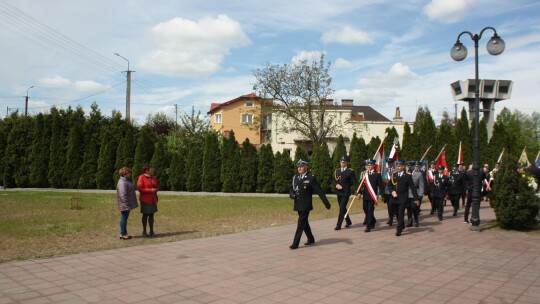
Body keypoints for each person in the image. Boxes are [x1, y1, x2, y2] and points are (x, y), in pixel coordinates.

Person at [288, 160, 331, 249]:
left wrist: (326, 202)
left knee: (300, 223)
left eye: (302, 166)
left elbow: (319, 191)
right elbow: (291, 188)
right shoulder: (296, 177)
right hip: (298, 204)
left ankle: (295, 243)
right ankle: (310, 238)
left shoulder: (311, 177)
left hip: (306, 205)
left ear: (306, 167)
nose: (299, 168)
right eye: (298, 166)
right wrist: (291, 194)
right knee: (304, 223)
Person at [388, 160, 420, 236]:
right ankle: (401, 224)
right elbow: (389, 185)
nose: (398, 168)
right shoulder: (394, 175)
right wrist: (392, 191)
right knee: (396, 213)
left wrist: (416, 198)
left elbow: (412, 187)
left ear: (403, 167)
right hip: (394, 198)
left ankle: (399, 229)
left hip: (403, 198)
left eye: (399, 166)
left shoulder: (407, 176)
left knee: (401, 213)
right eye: (397, 166)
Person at [332, 156, 357, 230]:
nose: (342, 163)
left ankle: (338, 224)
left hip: (346, 192)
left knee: (342, 208)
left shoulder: (350, 171)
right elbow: (333, 180)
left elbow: (355, 182)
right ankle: (348, 221)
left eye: (344, 162)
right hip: (339, 192)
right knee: (342, 208)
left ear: (347, 163)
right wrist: (336, 185)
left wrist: (357, 190)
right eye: (341, 162)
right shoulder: (337, 171)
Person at [358, 159, 384, 232]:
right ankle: (373, 220)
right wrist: (359, 192)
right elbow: (361, 184)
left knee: (370, 210)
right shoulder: (364, 174)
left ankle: (368, 226)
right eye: (367, 165)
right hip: (365, 195)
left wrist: (382, 194)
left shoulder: (377, 175)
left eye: (370, 165)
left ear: (373, 165)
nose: (368, 166)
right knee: (365, 209)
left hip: (372, 195)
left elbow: (381, 185)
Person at [137, 164, 159, 237]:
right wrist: (150, 190)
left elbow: (157, 187)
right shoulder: (141, 177)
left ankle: (151, 231)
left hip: (153, 199)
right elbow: (140, 188)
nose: (153, 170)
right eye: (151, 169)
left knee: (151, 215)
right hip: (145, 200)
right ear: (147, 170)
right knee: (145, 215)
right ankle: (144, 231)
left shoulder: (154, 177)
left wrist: (155, 190)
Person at [116, 167, 138, 239]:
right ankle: (123, 234)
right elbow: (122, 195)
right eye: (129, 173)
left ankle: (123, 233)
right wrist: (126, 205)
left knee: (124, 217)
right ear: (124, 174)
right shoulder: (122, 182)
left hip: (126, 204)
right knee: (124, 217)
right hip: (125, 204)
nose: (130, 174)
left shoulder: (125, 181)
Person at [407, 161, 425, 227]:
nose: (410, 167)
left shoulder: (419, 174)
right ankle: (409, 220)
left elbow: (421, 185)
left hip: (415, 193)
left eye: (411, 166)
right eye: (409, 166)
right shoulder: (406, 173)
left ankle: (416, 219)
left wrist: (420, 195)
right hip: (407, 193)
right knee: (408, 208)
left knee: (414, 207)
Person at [383, 158, 396, 225]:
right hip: (387, 190)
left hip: (394, 190)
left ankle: (396, 216)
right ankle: (390, 218)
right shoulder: (385, 170)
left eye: (390, 163)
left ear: (393, 163)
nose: (389, 164)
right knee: (389, 205)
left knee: (395, 205)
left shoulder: (396, 170)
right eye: (388, 163)